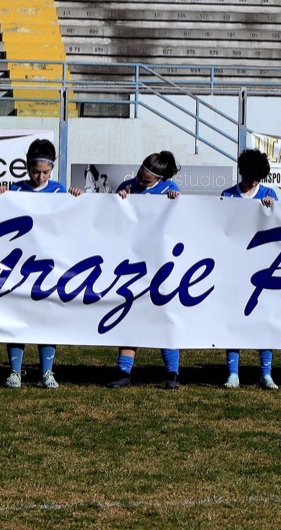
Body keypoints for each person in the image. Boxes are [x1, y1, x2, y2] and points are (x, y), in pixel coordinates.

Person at [0, 139, 81, 389]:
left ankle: (47, 372)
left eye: (45, 172)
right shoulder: (16, 190)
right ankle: (15, 371)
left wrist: (76, 199)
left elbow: (73, 221)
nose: (40, 176)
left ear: (52, 169)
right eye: (35, 171)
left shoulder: (58, 191)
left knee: (46, 317)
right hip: (19, 265)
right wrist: (0, 196)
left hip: (48, 266)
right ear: (27, 167)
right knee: (17, 316)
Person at [112, 151, 184, 389]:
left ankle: (172, 373)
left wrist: (177, 201)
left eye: (146, 180)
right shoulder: (127, 186)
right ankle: (124, 372)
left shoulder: (169, 189)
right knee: (129, 314)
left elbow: (181, 220)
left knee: (165, 316)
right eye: (139, 176)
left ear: (159, 179)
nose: (140, 182)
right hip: (133, 262)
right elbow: (113, 217)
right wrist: (118, 199)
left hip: (160, 263)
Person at [219, 149, 279, 391]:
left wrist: (271, 209)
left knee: (264, 318)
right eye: (250, 176)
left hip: (262, 266)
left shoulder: (269, 194)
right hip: (235, 266)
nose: (253, 181)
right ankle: (233, 372)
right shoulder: (227, 195)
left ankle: (266, 373)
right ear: (241, 171)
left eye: (258, 177)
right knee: (234, 317)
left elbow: (279, 226)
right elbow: (221, 228)